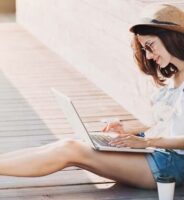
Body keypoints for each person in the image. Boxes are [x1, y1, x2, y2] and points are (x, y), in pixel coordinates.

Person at [0, 4, 184, 190]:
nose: (149, 56)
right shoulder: (174, 78)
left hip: (171, 166)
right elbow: (166, 124)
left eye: (150, 46)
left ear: (169, 37)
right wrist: (129, 132)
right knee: (71, 144)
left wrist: (146, 142)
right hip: (158, 153)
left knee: (70, 150)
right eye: (145, 49)